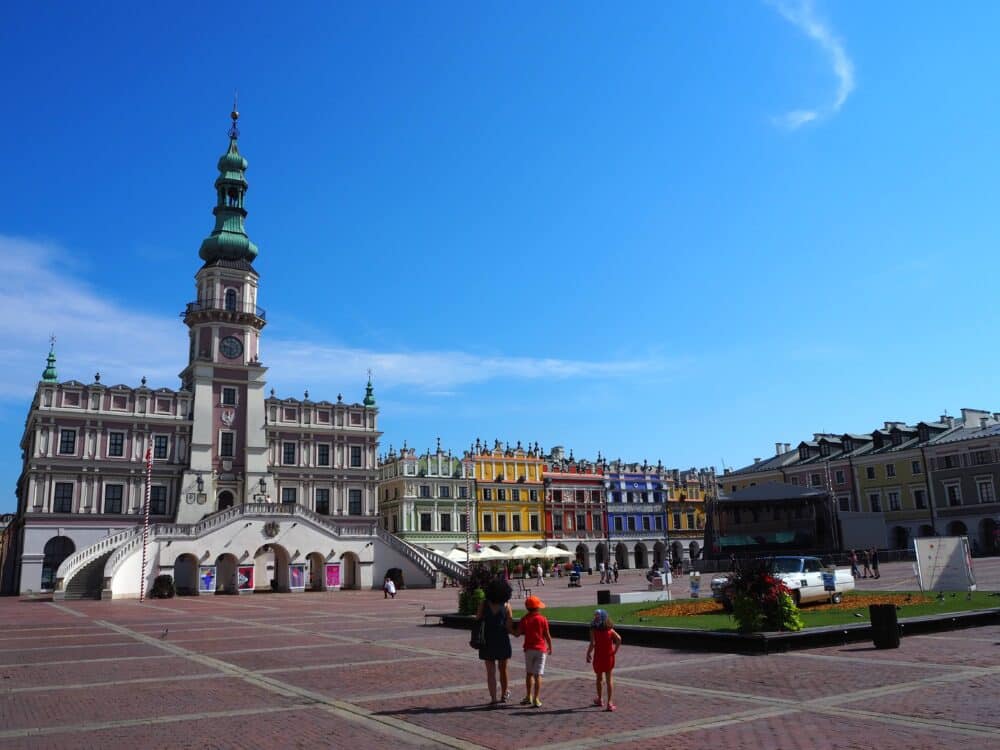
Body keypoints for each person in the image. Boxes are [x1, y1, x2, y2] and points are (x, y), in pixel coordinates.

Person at [475, 577, 514, 706]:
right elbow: (509, 627)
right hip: (502, 639)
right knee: (503, 670)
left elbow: (478, 620)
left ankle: (493, 698)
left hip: (487, 640)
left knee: (490, 672)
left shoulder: (484, 604)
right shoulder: (507, 605)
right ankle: (504, 694)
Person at [515, 595, 552, 708]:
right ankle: (536, 698)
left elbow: (517, 633)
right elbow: (547, 635)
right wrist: (550, 646)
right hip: (541, 649)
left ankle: (528, 696)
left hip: (529, 649)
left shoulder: (524, 619)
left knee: (529, 674)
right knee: (538, 675)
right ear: (537, 608)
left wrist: (509, 628)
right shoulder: (542, 619)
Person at [586, 609, 622, 711]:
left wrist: (588, 653)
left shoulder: (593, 630)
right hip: (609, 657)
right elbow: (619, 639)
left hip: (598, 657)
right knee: (609, 679)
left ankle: (600, 699)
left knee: (599, 678)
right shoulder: (610, 630)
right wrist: (615, 650)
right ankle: (609, 703)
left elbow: (592, 643)